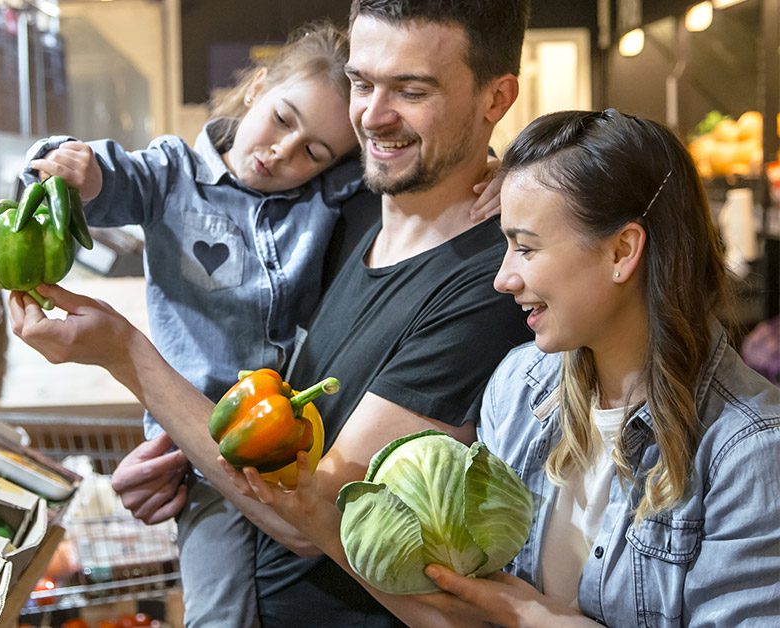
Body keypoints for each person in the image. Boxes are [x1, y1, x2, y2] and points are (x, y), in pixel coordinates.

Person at [9, 0, 533, 625]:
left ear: (496, 98)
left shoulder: (490, 281)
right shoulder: (349, 213)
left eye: (412, 90)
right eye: (363, 83)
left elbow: (314, 517)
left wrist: (128, 355)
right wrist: (188, 449)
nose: (372, 114)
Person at [231, 110, 780, 627]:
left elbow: (509, 611)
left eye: (525, 247)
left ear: (621, 252)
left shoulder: (750, 450)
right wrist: (315, 514)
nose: (503, 278)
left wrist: (535, 619)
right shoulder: (520, 387)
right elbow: (468, 604)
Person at [22, 22, 365, 628]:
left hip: (302, 442)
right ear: (257, 88)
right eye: (283, 119)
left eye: (315, 150)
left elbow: (404, 171)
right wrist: (73, 166)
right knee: (220, 612)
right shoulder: (171, 176)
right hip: (206, 450)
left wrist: (487, 170)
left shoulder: (323, 198)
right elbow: (111, 178)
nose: (285, 152)